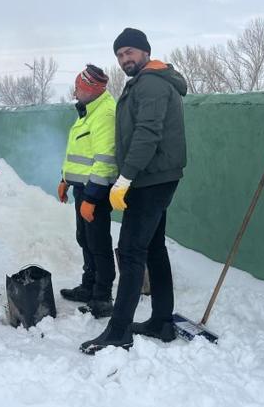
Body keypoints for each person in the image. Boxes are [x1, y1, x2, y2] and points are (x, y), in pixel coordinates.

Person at [81, 28, 188, 354]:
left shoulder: (152, 84)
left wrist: (125, 178)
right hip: (152, 176)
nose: (124, 58)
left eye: (129, 52)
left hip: (149, 179)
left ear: (144, 51)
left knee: (130, 252)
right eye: (119, 54)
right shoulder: (144, 82)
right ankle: (161, 320)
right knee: (153, 248)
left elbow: (147, 134)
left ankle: (118, 331)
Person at [58, 65, 117, 318]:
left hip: (97, 191)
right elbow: (80, 153)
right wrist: (65, 180)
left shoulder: (104, 113)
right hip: (82, 188)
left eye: (78, 88)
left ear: (92, 89)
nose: (75, 92)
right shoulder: (87, 111)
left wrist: (92, 198)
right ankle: (89, 286)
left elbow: (104, 160)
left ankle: (102, 297)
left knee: (99, 243)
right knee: (85, 239)